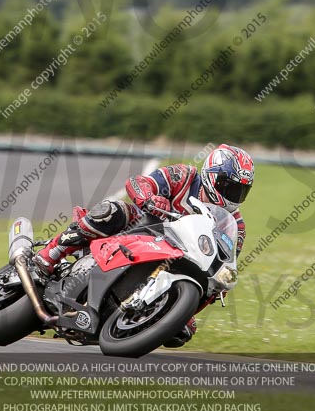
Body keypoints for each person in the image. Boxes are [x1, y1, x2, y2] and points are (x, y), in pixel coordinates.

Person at [34, 144, 255, 347]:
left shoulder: (236, 225)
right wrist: (149, 199)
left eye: (240, 190)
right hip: (143, 230)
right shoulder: (185, 176)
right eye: (228, 186)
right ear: (211, 176)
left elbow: (226, 261)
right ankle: (49, 254)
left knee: (183, 331)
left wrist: (220, 283)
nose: (233, 195)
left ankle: (125, 320)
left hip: (177, 261)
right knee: (112, 211)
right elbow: (138, 183)